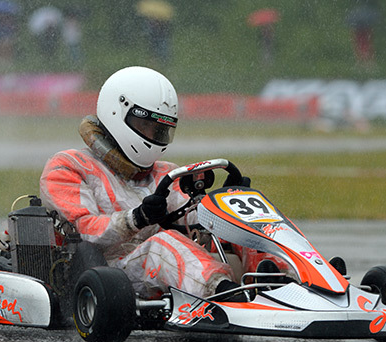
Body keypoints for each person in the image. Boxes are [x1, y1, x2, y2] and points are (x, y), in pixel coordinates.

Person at [39, 66, 242, 300]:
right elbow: (85, 229)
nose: (154, 134)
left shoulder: (167, 173)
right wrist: (137, 218)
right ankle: (226, 297)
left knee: (247, 228)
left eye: (160, 129)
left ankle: (285, 281)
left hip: (157, 268)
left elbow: (192, 216)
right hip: (106, 273)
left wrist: (226, 204)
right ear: (117, 113)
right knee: (164, 244)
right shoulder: (68, 166)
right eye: (146, 125)